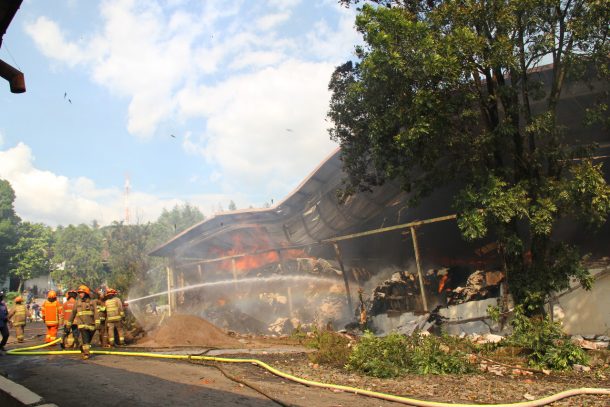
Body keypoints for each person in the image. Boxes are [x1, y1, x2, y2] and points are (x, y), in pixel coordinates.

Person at [65, 285, 99, 360]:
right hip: (82, 325)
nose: (80, 294)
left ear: (86, 293)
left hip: (91, 324)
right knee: (85, 339)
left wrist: (97, 323)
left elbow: (96, 313)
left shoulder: (92, 302)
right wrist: (68, 325)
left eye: (81, 293)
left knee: (87, 341)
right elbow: (72, 314)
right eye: (79, 293)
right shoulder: (77, 303)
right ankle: (86, 353)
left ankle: (82, 347)